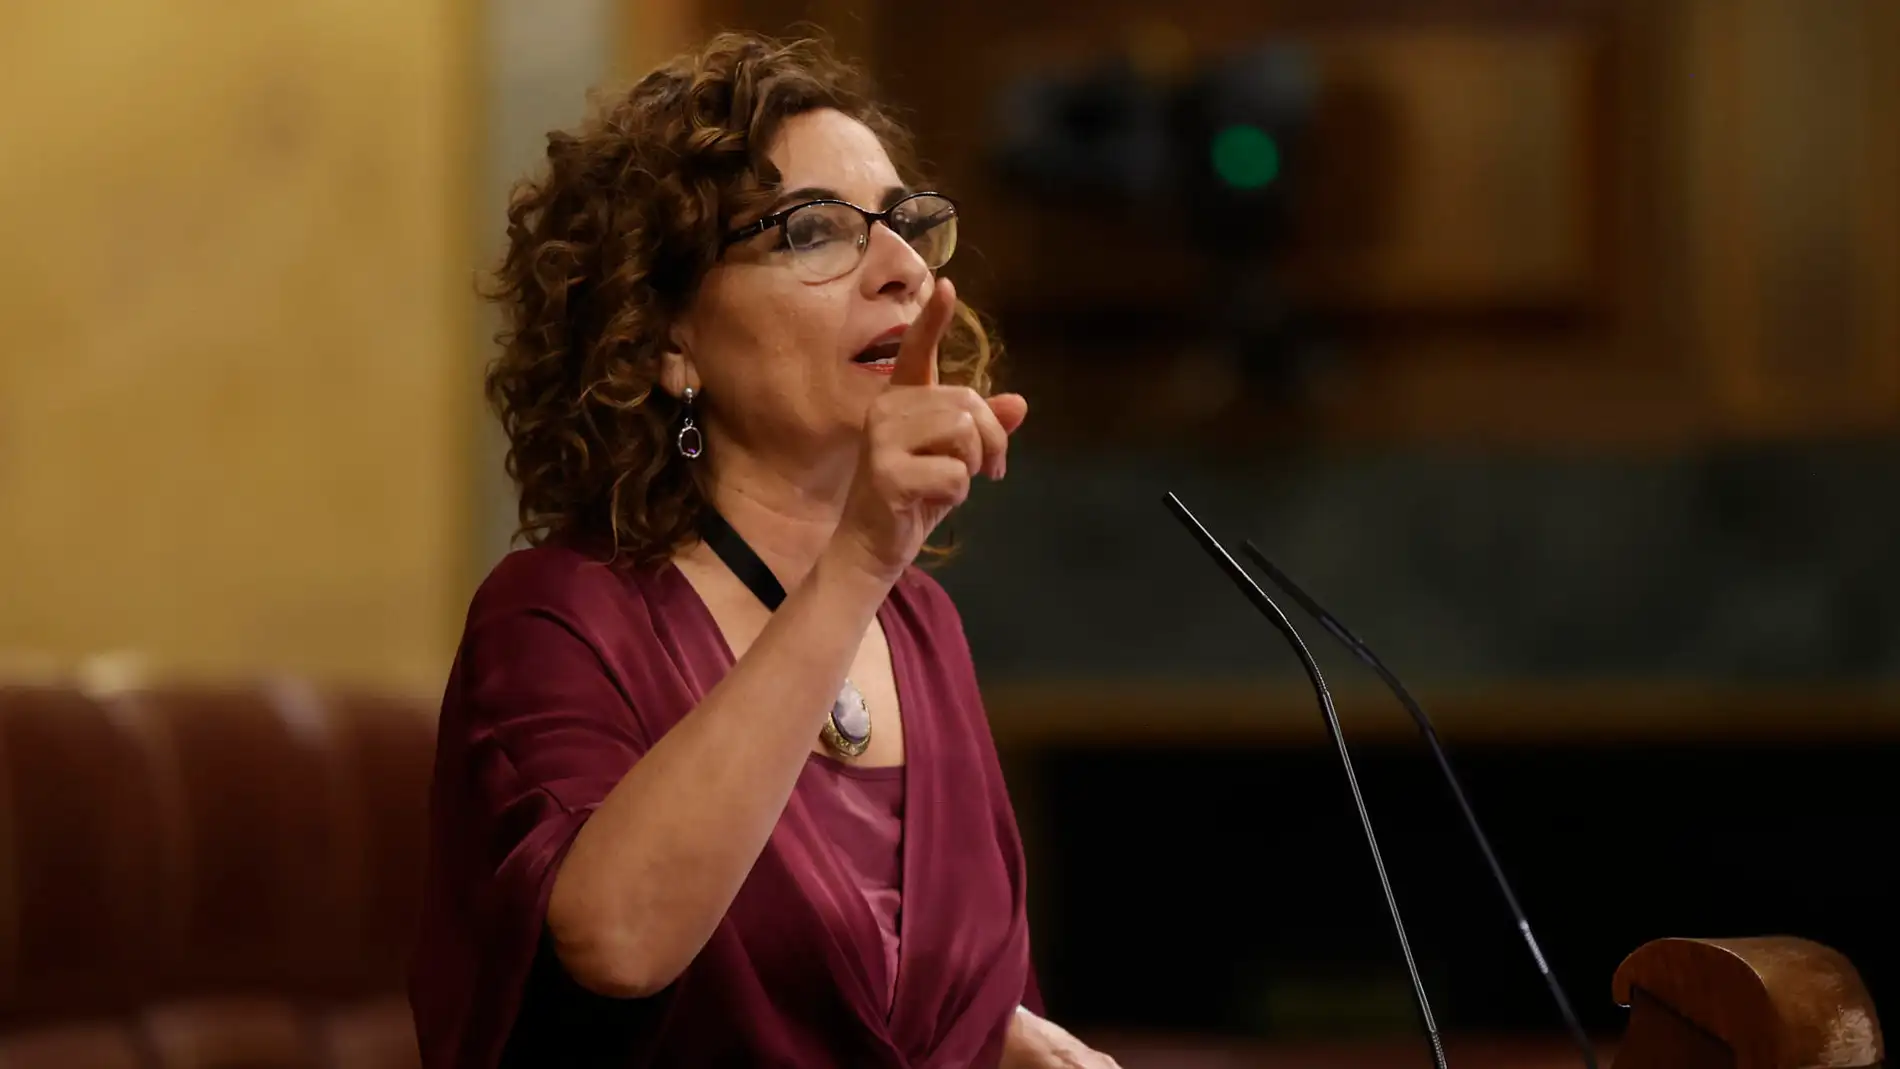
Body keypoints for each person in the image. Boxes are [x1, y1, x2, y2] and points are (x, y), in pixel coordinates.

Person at [407, 31, 1122, 1069]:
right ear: (663, 336)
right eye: (814, 233)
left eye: (905, 226)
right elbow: (617, 939)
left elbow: (893, 994)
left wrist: (1008, 1046)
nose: (899, 270)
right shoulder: (558, 616)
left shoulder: (922, 629)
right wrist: (860, 562)